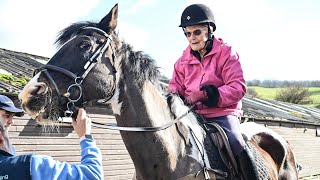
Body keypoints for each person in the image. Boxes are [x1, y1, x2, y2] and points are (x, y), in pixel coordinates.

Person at [168, 4, 259, 180]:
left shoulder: (227, 53)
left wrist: (208, 95)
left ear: (209, 31)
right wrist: (174, 98)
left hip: (222, 113)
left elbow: (238, 87)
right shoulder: (181, 63)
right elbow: (174, 89)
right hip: (191, 115)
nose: (192, 38)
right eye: (187, 33)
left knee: (236, 141)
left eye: (197, 32)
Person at [0, 108, 103, 180]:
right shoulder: (33, 165)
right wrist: (85, 137)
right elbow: (93, 176)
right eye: (7, 116)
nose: (11, 122)